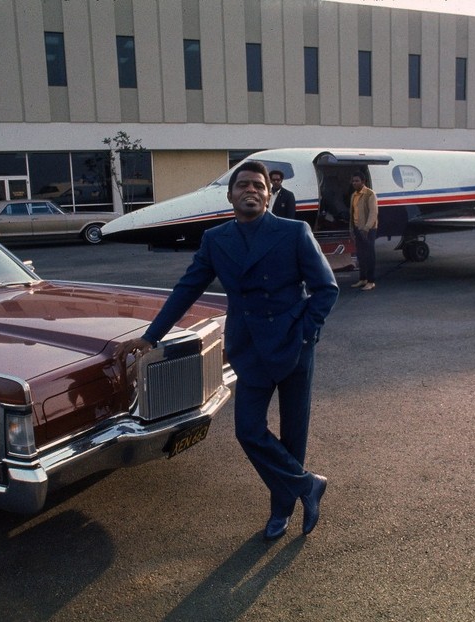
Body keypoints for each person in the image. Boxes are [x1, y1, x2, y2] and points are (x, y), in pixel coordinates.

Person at [126, 161, 339, 540]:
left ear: (269, 195)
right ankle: (307, 485)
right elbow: (187, 289)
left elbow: (326, 288)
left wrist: (307, 333)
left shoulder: (294, 232)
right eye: (243, 185)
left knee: (294, 434)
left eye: (258, 185)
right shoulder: (216, 239)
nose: (251, 190)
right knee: (248, 431)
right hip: (250, 348)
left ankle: (281, 512)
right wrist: (152, 335)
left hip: (294, 346)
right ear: (231, 195)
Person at [349, 173, 378, 291]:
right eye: (353, 181)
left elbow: (373, 213)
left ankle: (371, 281)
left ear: (363, 181)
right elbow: (352, 213)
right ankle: (363, 279)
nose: (354, 183)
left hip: (368, 229)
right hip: (357, 228)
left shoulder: (370, 194)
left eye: (357, 181)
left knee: (370, 255)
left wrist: (366, 228)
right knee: (360, 255)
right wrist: (351, 228)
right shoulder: (354, 195)